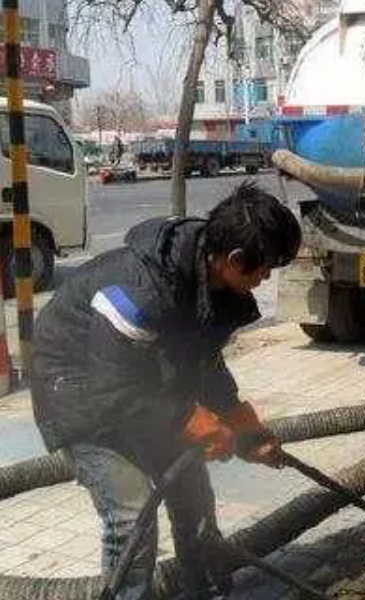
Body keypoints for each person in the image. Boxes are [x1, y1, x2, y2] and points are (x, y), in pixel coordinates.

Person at [31, 181, 302, 599]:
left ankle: (205, 589)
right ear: (233, 258)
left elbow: (205, 362)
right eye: (265, 267)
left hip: (137, 384)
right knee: (132, 510)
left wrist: (244, 428)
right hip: (75, 387)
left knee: (192, 494)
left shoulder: (212, 283)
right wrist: (187, 420)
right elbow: (113, 389)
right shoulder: (144, 291)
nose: (266, 277)